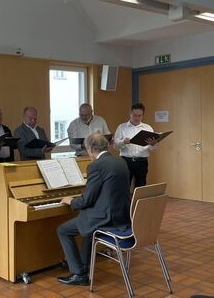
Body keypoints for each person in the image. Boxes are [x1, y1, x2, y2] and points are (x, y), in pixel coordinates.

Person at [57, 133, 131, 285]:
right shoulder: (120, 161)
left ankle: (78, 273)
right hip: (120, 216)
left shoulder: (96, 166)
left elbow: (87, 200)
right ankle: (83, 265)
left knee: (63, 230)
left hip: (105, 217)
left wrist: (71, 201)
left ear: (91, 149)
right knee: (86, 223)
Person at [114, 102, 157, 188]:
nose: (137, 118)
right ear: (130, 114)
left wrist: (153, 144)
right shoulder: (122, 127)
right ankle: (125, 202)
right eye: (134, 115)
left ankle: (138, 202)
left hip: (142, 161)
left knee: (141, 186)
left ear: (143, 115)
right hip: (125, 161)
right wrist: (123, 142)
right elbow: (115, 146)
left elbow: (154, 149)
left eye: (139, 115)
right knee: (124, 186)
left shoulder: (148, 128)